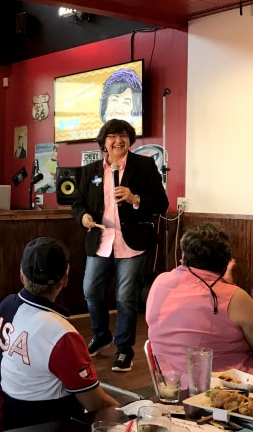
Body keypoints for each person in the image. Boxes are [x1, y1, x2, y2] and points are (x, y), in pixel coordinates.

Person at [0, 237, 118, 429]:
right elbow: (96, 405)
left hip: (10, 417)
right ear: (65, 278)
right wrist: (131, 415)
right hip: (52, 425)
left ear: (21, 274)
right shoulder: (61, 335)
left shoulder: (6, 305)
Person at [72, 119, 168, 372]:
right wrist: (83, 217)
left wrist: (135, 198)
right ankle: (101, 335)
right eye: (113, 136)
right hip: (101, 241)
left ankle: (124, 349)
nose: (119, 140)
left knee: (125, 297)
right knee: (90, 290)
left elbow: (161, 203)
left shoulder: (144, 165)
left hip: (132, 243)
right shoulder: (91, 170)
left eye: (123, 135)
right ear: (104, 142)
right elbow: (78, 203)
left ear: (130, 140)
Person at [146, 222, 253, 376]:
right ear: (225, 261)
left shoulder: (160, 281)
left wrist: (223, 282)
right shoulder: (236, 297)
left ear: (184, 255)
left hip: (172, 389)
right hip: (227, 393)